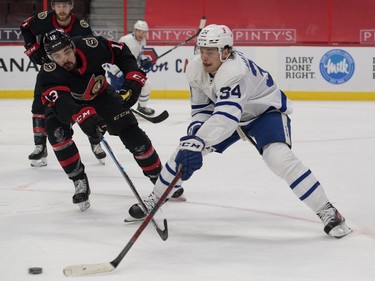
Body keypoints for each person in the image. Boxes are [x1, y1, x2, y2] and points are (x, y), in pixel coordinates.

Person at [126, 24, 352, 238]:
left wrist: (197, 142)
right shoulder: (196, 68)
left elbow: (226, 118)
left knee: (279, 158)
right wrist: (193, 140)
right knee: (182, 152)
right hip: (231, 116)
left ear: (225, 52)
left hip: (264, 113)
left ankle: (328, 211)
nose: (205, 56)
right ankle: (155, 199)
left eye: (211, 51)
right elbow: (202, 110)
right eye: (202, 49)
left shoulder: (235, 70)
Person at [38, 29, 184, 212]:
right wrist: (84, 115)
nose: (65, 59)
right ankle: (79, 180)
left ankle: (160, 179)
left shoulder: (91, 45)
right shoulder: (48, 73)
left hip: (100, 94)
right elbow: (63, 104)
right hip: (69, 104)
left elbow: (121, 52)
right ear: (50, 58)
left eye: (67, 51)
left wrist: (133, 79)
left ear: (73, 46)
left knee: (131, 131)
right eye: (57, 56)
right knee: (56, 133)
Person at [20, 0, 106, 167]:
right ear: (53, 7)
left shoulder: (82, 26)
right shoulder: (43, 19)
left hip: (74, 73)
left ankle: (95, 141)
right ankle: (40, 146)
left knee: (85, 104)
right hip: (50, 70)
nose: (62, 9)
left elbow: (89, 49)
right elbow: (25, 27)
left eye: (65, 5)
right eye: (58, 5)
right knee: (39, 104)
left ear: (71, 6)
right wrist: (32, 49)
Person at [104, 20, 155, 116]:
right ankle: (111, 111)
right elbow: (115, 55)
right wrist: (117, 73)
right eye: (139, 31)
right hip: (116, 70)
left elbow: (138, 55)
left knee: (146, 84)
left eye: (144, 32)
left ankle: (142, 107)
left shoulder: (142, 40)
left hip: (128, 70)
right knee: (118, 93)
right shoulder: (126, 40)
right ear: (135, 30)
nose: (141, 34)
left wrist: (144, 60)